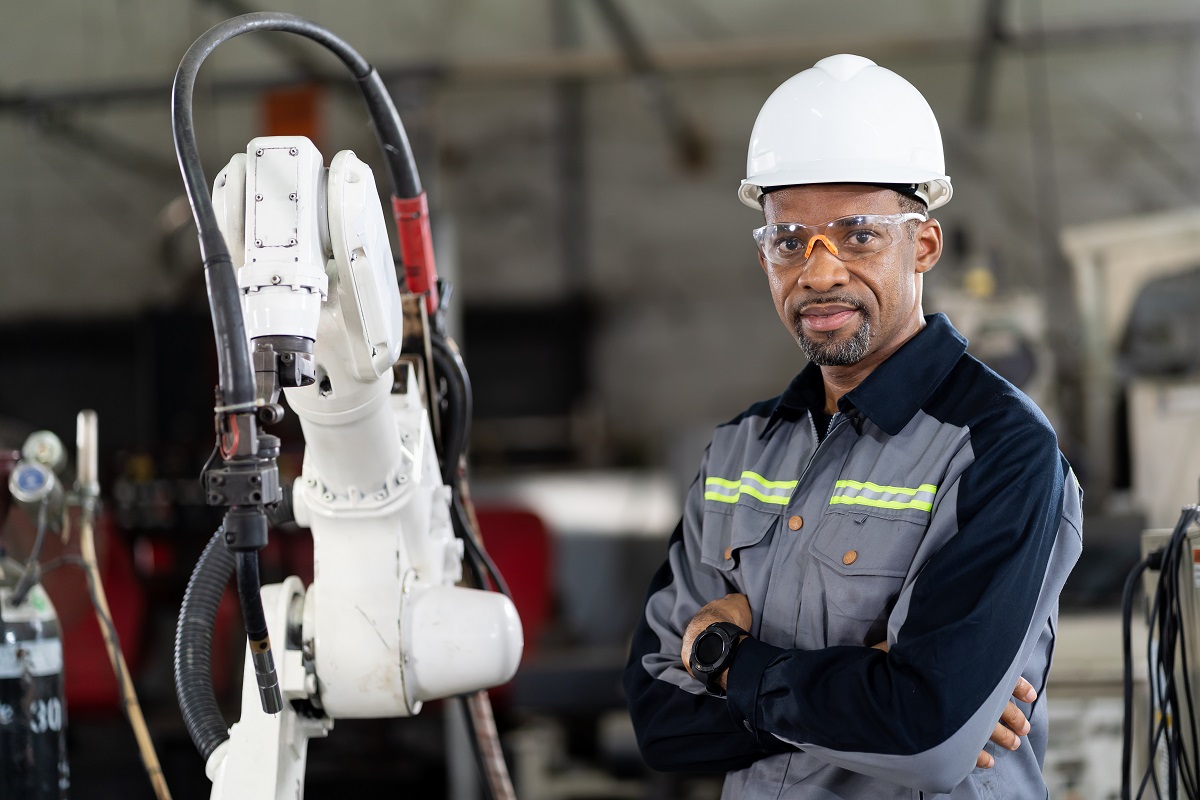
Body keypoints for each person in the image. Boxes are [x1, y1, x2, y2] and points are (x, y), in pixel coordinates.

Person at [622, 54, 1082, 798]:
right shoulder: (740, 449)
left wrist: (723, 658)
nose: (821, 271)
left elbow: (927, 734)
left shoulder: (998, 448)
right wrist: (866, 681)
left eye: (858, 235)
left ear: (923, 245)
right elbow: (661, 722)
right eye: (789, 240)